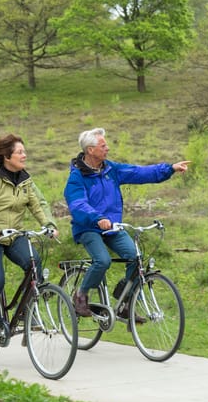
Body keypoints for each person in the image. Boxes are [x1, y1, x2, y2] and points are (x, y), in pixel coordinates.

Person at [64, 128, 190, 319]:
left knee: (135, 256)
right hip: (88, 227)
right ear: (90, 150)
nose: (107, 148)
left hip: (112, 227)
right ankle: (81, 295)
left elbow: (139, 172)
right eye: (103, 145)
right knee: (102, 260)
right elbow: (78, 204)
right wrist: (98, 218)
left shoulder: (111, 169)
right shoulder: (77, 177)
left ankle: (124, 302)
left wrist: (169, 168)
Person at [0, 134, 58, 340]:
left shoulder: (26, 180)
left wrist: (48, 224)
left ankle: (27, 313)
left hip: (13, 235)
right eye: (20, 152)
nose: (24, 155)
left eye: (24, 151)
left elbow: (39, 204)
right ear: (5, 156)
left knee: (34, 264)